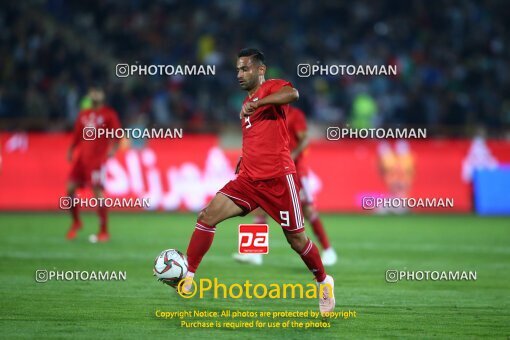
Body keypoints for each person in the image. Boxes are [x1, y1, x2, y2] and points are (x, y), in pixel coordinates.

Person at [181, 48, 335, 314]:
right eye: (238, 70)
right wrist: (244, 158)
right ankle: (188, 275)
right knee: (207, 216)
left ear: (260, 70)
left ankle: (323, 281)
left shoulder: (272, 89)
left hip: (278, 179)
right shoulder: (246, 104)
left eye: (245, 69)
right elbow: (257, 138)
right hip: (248, 179)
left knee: (296, 240)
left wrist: (261, 103)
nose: (239, 75)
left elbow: (294, 93)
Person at [234, 106, 337, 266]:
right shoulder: (267, 114)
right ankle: (254, 253)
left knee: (308, 210)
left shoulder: (295, 115)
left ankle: (328, 250)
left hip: (296, 171)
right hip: (273, 169)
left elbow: (304, 139)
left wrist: (293, 155)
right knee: (260, 206)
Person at [66, 87, 121, 242]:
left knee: (97, 193)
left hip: (97, 160)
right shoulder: (83, 114)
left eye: (98, 91)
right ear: (89, 95)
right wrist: (71, 150)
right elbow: (77, 134)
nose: (95, 94)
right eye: (93, 91)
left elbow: (117, 134)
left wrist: (113, 149)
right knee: (70, 189)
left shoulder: (109, 114)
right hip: (82, 159)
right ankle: (76, 221)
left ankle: (104, 231)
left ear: (103, 96)